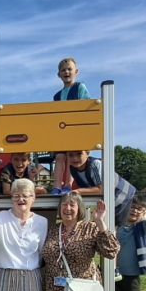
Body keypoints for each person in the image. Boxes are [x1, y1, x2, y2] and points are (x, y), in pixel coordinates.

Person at [66, 150, 137, 227]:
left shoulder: (95, 164)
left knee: (115, 225)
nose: (75, 158)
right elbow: (85, 188)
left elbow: (101, 189)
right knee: (101, 222)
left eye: (79, 154)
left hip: (122, 193)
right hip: (108, 196)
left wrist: (77, 191)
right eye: (71, 155)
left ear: (87, 153)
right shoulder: (72, 168)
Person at [51, 57, 91, 195]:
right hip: (62, 129)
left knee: (71, 157)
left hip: (75, 128)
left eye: (69, 69)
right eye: (63, 70)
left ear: (76, 71)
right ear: (59, 75)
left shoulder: (79, 87)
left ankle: (68, 185)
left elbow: (85, 106)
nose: (66, 72)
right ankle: (56, 186)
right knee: (60, 157)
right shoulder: (57, 95)